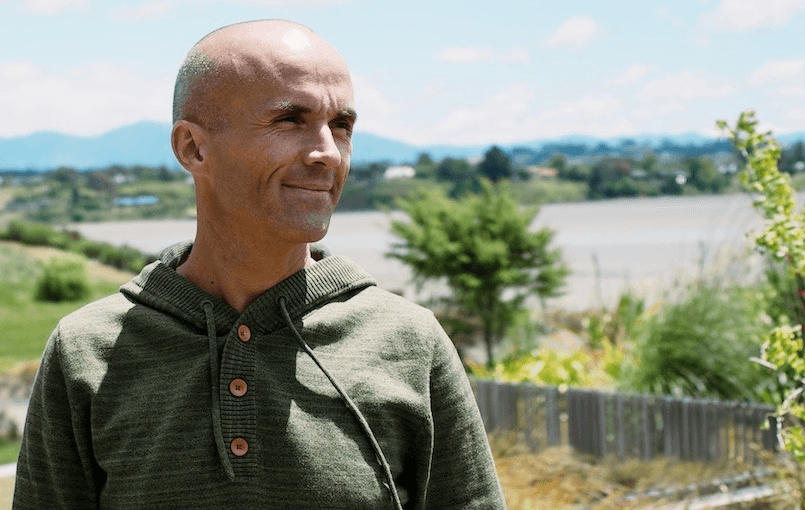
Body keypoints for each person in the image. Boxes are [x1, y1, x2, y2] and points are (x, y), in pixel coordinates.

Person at [14, 19, 505, 509]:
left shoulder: (410, 342)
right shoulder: (85, 351)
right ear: (193, 147)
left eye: (342, 126)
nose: (328, 154)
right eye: (290, 119)